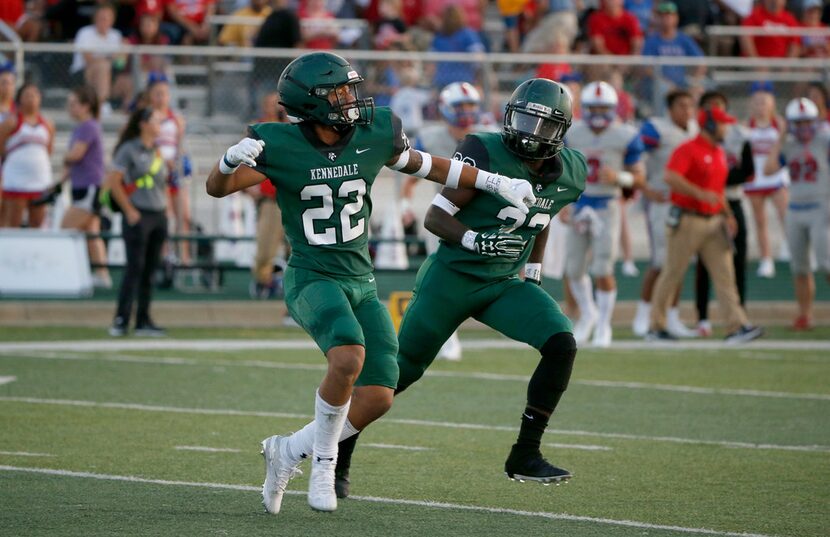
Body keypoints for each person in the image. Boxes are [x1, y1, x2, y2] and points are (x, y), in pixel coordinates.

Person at [204, 51, 536, 514]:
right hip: (312, 275)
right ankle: (323, 462)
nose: (351, 98)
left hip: (360, 278)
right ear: (313, 102)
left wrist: (496, 182)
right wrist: (224, 163)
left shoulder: (373, 131)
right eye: (339, 91)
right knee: (347, 356)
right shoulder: (277, 144)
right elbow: (217, 189)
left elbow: (429, 165)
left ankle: (287, 452)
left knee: (380, 394)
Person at [336, 78, 585, 497]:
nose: (528, 131)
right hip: (452, 279)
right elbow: (436, 216)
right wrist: (475, 239)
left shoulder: (572, 171)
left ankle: (525, 453)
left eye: (541, 125)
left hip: (504, 283)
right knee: (395, 376)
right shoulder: (485, 150)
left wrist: (535, 272)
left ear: (559, 132)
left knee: (562, 344)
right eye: (523, 119)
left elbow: (543, 216)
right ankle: (337, 453)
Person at [647, 98, 763, 343]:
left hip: (714, 221)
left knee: (725, 276)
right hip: (688, 219)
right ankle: (656, 326)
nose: (727, 129)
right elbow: (671, 177)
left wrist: (728, 214)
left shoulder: (719, 152)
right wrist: (699, 194)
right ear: (710, 125)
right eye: (722, 124)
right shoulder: (688, 149)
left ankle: (736, 326)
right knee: (672, 273)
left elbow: (717, 189)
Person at [399, 81, 495, 361]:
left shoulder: (488, 136)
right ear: (444, 109)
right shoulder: (431, 138)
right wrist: (405, 204)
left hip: (482, 218)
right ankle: (448, 338)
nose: (466, 112)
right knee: (439, 281)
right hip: (442, 218)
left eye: (470, 106)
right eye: (460, 106)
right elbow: (411, 176)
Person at [563, 81, 646, 347]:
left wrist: (619, 177)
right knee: (573, 268)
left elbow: (639, 178)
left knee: (602, 267)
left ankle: (603, 325)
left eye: (603, 107)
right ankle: (588, 314)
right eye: (593, 107)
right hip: (578, 202)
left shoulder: (625, 135)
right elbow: (559, 172)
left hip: (607, 203)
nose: (598, 111)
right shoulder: (572, 133)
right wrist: (562, 203)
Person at [632, 89, 697, 338]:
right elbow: (636, 159)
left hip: (686, 204)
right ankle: (643, 314)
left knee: (678, 263)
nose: (687, 111)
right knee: (660, 262)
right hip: (662, 202)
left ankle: (671, 317)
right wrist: (646, 189)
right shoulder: (656, 128)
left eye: (690, 106)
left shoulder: (694, 131)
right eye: (682, 106)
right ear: (670, 108)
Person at [763, 97, 830, 330]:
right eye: (798, 123)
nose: (803, 128)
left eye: (807, 122)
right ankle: (805, 315)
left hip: (822, 206)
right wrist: (780, 138)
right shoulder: (788, 144)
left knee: (827, 264)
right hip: (796, 207)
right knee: (799, 267)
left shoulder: (825, 140)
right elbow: (769, 169)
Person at [694, 92, 753, 338]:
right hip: (703, 205)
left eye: (719, 109)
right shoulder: (695, 139)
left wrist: (717, 181)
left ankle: (739, 318)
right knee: (701, 265)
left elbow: (748, 171)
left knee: (736, 263)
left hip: (731, 201)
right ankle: (703, 318)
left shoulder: (738, 136)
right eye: (711, 110)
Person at [106, 107, 168, 337]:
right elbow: (113, 182)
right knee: (135, 268)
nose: (159, 124)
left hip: (157, 213)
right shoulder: (129, 149)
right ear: (142, 123)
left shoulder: (158, 152)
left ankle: (143, 319)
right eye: (154, 119)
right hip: (138, 213)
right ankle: (121, 318)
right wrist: (129, 210)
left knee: (150, 269)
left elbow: (163, 185)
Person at [61, 86, 111, 289]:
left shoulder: (88, 126)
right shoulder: (82, 127)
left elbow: (75, 155)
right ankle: (101, 273)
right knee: (92, 232)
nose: (70, 108)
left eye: (74, 104)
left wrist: (64, 157)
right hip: (82, 186)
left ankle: (69, 271)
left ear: (86, 106)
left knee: (66, 229)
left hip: (89, 187)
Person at [743, 81, 790, 278]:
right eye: (757, 102)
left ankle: (792, 250)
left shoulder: (779, 124)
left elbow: (788, 149)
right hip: (755, 178)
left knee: (786, 216)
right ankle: (766, 259)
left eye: (764, 101)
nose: (760, 106)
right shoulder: (747, 125)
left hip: (777, 176)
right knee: (759, 221)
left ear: (772, 104)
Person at [147, 73, 191, 266]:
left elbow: (180, 144)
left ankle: (184, 257)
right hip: (157, 170)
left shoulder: (176, 118)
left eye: (164, 93)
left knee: (184, 215)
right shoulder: (147, 117)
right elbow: (147, 143)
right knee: (166, 216)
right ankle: (164, 256)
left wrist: (178, 162)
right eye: (157, 93)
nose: (161, 97)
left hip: (175, 170)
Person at [248, 93, 288, 299]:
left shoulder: (292, 128)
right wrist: (250, 189)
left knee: (297, 247)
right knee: (266, 247)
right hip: (271, 199)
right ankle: (262, 282)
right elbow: (243, 159)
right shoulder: (259, 129)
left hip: (291, 196)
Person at [0, 83, 54, 229]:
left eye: (35, 95)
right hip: (16, 180)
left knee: (37, 223)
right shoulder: (11, 122)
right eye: (27, 95)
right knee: (13, 223)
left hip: (39, 180)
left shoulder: (47, 124)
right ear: (20, 99)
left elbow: (49, 150)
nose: (32, 99)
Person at [69, 4, 123, 116]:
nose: (104, 21)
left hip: (110, 73)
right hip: (82, 72)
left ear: (112, 20)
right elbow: (88, 58)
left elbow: (120, 62)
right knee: (102, 67)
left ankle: (129, 113)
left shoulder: (116, 35)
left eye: (107, 18)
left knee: (127, 81)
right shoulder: (85, 32)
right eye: (101, 18)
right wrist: (109, 58)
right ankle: (101, 103)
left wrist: (120, 55)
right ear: (95, 18)